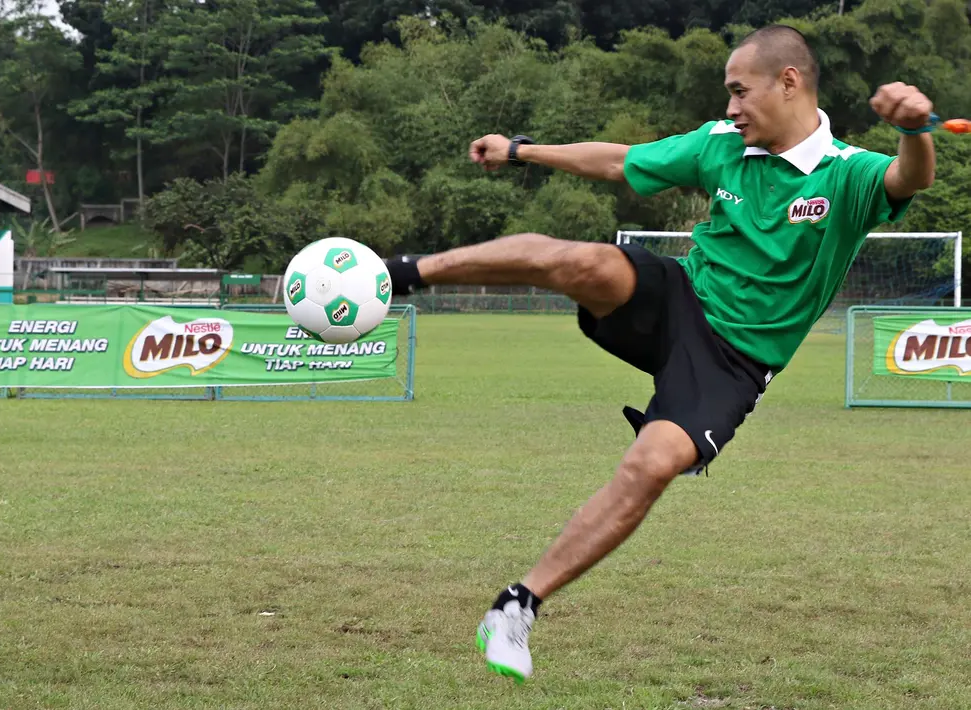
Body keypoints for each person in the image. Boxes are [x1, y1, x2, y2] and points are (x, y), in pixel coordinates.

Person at [382, 25, 937, 682]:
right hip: (678, 298)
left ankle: (516, 605)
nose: (729, 107)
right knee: (583, 261)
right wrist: (521, 151)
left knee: (652, 463)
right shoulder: (718, 145)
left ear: (787, 81)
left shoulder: (848, 175)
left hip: (733, 362)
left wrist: (913, 127)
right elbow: (621, 160)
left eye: (738, 91)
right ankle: (396, 275)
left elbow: (910, 176)